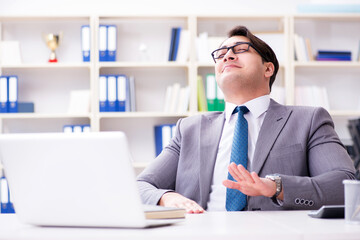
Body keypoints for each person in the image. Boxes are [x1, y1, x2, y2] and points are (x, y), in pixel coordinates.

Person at [137, 25, 356, 213]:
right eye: (221, 53)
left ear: (268, 68)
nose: (227, 56)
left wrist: (276, 186)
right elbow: (141, 186)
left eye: (240, 50)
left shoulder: (308, 120)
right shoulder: (189, 129)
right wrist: (167, 198)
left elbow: (344, 184)